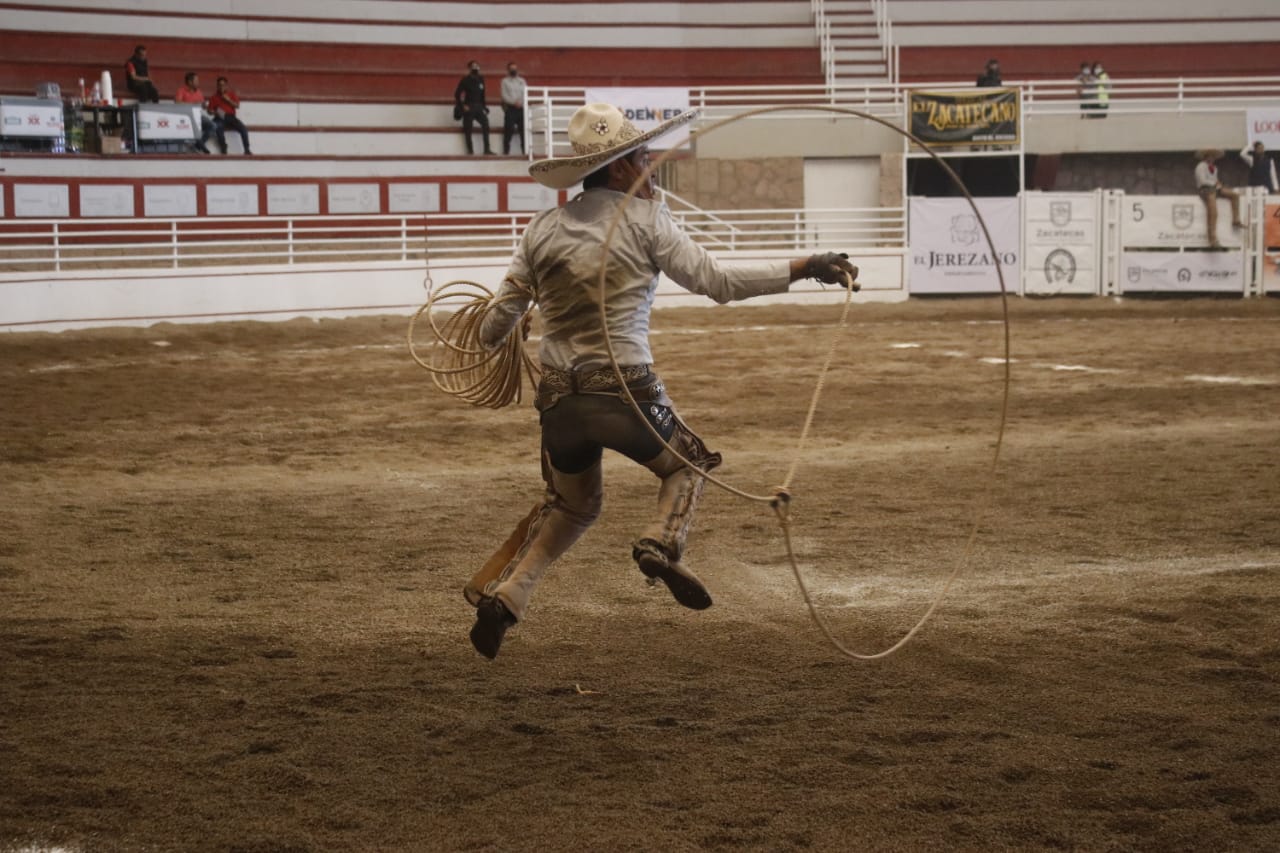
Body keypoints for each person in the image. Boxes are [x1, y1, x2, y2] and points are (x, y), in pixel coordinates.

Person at [463, 102, 860, 659]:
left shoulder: (543, 228)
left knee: (573, 506)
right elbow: (717, 281)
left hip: (558, 402)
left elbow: (491, 329)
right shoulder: (648, 221)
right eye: (643, 158)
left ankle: (509, 595)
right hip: (624, 387)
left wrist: (511, 316)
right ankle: (660, 543)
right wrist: (807, 265)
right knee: (687, 466)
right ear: (622, 167)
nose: (650, 167)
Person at [1194, 148, 1244, 249]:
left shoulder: (1214, 168)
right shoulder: (1200, 166)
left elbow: (1215, 180)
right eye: (1209, 156)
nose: (1212, 158)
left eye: (1213, 157)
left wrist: (1218, 184)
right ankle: (1212, 239)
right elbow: (1203, 181)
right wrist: (1216, 185)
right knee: (1213, 211)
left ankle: (1235, 219)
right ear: (1206, 157)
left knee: (1234, 195)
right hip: (1205, 189)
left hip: (1214, 188)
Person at [454, 60, 494, 155]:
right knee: (468, 129)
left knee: (486, 125)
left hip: (479, 107)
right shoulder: (465, 79)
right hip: (469, 106)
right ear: (469, 68)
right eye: (473, 66)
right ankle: (470, 150)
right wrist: (462, 106)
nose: (475, 67)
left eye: (477, 66)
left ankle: (487, 149)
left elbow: (482, 95)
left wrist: (484, 107)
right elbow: (457, 94)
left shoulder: (481, 79)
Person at [207, 76, 252, 155]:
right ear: (217, 86)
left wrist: (228, 100)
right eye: (219, 85)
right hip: (219, 117)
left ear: (226, 86)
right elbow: (209, 111)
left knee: (243, 128)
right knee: (218, 127)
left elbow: (237, 106)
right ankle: (223, 147)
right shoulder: (213, 97)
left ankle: (247, 149)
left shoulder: (231, 94)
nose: (221, 87)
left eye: (223, 85)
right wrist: (212, 112)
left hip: (231, 117)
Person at [173, 72, 214, 154]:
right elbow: (177, 103)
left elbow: (202, 104)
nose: (198, 82)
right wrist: (192, 104)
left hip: (198, 116)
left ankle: (198, 145)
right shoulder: (181, 90)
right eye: (196, 80)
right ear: (190, 82)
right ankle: (200, 146)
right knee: (195, 126)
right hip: (186, 117)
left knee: (212, 126)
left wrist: (205, 106)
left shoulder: (199, 92)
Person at [500, 61, 527, 155]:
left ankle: (525, 151)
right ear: (508, 70)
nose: (513, 70)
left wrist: (521, 102)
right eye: (511, 68)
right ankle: (506, 151)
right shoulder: (505, 81)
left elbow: (525, 94)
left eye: (515, 68)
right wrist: (513, 102)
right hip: (510, 108)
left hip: (521, 109)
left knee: (523, 131)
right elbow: (504, 96)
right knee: (508, 130)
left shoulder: (522, 81)